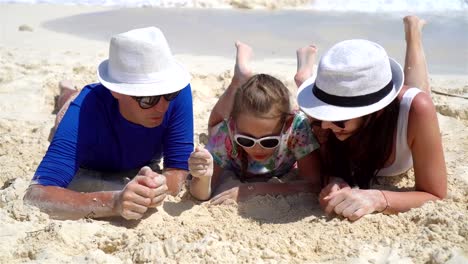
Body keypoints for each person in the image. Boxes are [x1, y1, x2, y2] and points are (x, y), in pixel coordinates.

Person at [23, 27, 194, 220]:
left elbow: (178, 168)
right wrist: (113, 202)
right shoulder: (83, 113)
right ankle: (67, 91)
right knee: (69, 102)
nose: (162, 107)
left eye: (169, 93)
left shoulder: (178, 93)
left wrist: (160, 186)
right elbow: (35, 195)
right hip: (84, 125)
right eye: (148, 99)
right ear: (116, 91)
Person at [296, 16, 447, 220]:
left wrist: (377, 198)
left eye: (337, 117)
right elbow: (319, 168)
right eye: (324, 114)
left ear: (376, 110)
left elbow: (436, 194)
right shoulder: (321, 118)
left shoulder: (415, 110)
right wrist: (334, 180)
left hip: (403, 111)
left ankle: (413, 32)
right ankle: (303, 78)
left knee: (418, 91)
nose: (325, 124)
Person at [188, 42, 321, 204]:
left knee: (312, 119)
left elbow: (314, 184)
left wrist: (254, 189)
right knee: (215, 126)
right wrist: (203, 178)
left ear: (287, 127)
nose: (256, 148)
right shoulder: (228, 131)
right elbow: (201, 194)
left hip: (286, 118)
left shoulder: (296, 129)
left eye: (268, 141)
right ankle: (238, 81)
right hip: (231, 127)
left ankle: (304, 81)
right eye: (246, 140)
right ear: (234, 125)